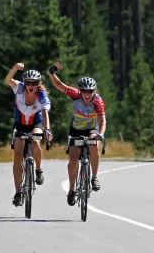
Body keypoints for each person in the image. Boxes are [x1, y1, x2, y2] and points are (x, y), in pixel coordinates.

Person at [47, 62, 106, 206]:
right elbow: (59, 85)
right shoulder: (75, 94)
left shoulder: (97, 101)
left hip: (92, 129)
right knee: (73, 160)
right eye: (84, 91)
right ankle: (72, 189)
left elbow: (102, 120)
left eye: (90, 91)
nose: (87, 94)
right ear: (80, 91)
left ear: (94, 91)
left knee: (94, 145)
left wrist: (101, 134)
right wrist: (51, 73)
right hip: (76, 130)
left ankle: (94, 177)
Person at [5, 63, 53, 207]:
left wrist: (47, 129)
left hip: (36, 124)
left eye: (34, 83)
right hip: (20, 124)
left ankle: (38, 169)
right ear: (24, 83)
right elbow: (8, 79)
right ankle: (18, 192)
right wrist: (14, 68)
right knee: (18, 156)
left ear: (38, 84)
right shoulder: (19, 89)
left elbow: (45, 112)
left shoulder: (41, 95)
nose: (31, 85)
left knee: (36, 141)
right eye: (28, 83)